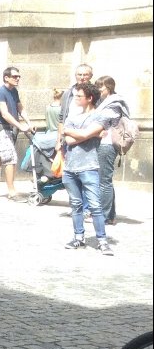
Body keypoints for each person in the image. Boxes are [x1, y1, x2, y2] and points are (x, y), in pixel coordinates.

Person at [56, 82, 110, 254]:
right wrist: (88, 134)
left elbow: (81, 135)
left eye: (79, 96)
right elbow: (70, 140)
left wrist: (79, 133)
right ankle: (78, 237)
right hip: (70, 168)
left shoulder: (100, 117)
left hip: (89, 166)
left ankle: (102, 240)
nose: (76, 98)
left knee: (95, 206)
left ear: (90, 98)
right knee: (76, 205)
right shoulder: (72, 117)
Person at [0, 66, 34, 200]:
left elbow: (20, 108)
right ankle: (12, 192)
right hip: (3, 129)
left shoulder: (14, 92)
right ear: (6, 77)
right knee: (10, 158)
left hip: (12, 130)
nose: (18, 78)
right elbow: (5, 114)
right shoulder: (0, 92)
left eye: (19, 76)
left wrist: (29, 123)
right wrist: (21, 126)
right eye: (15, 76)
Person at [93, 76, 129, 226]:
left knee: (104, 181)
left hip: (107, 145)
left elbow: (99, 120)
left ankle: (105, 215)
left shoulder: (113, 103)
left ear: (108, 87)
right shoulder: (105, 102)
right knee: (104, 180)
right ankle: (110, 215)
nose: (98, 90)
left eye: (101, 87)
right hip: (103, 144)